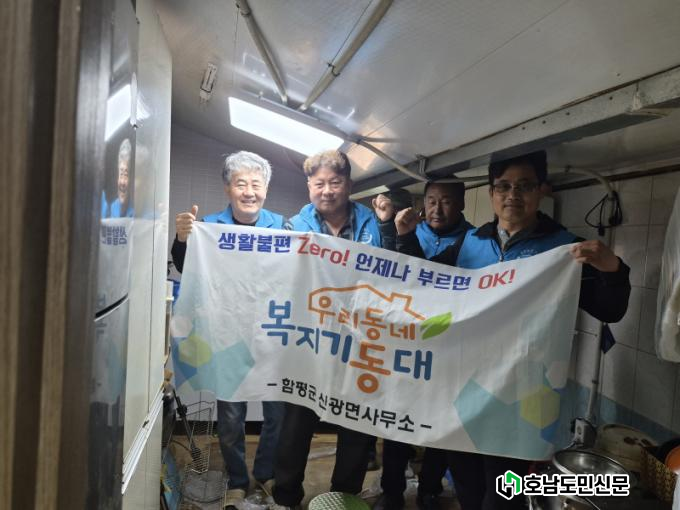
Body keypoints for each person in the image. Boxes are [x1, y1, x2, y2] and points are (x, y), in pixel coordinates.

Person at [395, 150, 631, 510]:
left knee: (505, 495)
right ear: (491, 192)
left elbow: (609, 309)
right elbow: (426, 284)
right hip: (465, 388)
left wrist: (613, 269)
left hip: (523, 398)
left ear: (542, 190)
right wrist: (404, 237)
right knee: (468, 486)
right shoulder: (471, 242)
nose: (512, 195)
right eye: (503, 186)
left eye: (524, 186)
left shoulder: (564, 249)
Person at [171, 151, 286, 510]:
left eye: (256, 184)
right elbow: (186, 268)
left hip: (272, 334)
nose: (249, 191)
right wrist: (182, 239)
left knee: (277, 414)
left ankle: (265, 474)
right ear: (227, 188)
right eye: (241, 184)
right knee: (232, 417)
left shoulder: (283, 227)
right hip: (227, 336)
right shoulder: (208, 225)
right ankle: (237, 481)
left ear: (266, 188)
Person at [270, 150, 382, 510]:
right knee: (295, 424)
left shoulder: (373, 224)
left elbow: (391, 273)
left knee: (356, 423)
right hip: (309, 340)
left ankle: (345, 495)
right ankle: (286, 496)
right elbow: (280, 275)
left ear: (348, 184)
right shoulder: (295, 226)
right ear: (309, 186)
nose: (327, 190)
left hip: (359, 341)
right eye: (319, 183)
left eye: (335, 182)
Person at [371, 183, 473, 510]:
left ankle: (430, 488)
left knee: (441, 422)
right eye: (431, 201)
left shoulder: (473, 240)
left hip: (449, 345)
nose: (437, 209)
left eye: (446, 201)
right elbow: (391, 271)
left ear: (461, 203)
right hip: (405, 342)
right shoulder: (409, 229)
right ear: (422, 203)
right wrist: (394, 230)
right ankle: (392, 491)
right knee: (397, 418)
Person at [102, 138, 134, 218]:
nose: (122, 182)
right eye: (121, 174)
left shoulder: (138, 212)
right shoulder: (111, 209)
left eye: (126, 175)